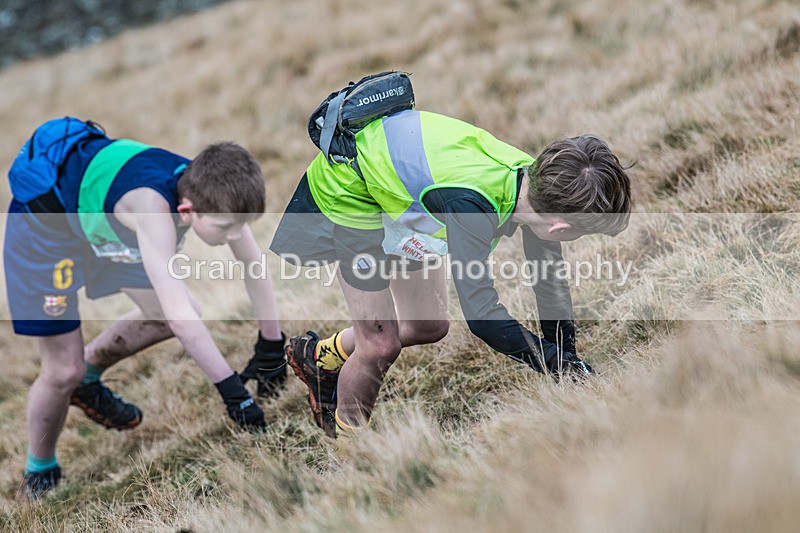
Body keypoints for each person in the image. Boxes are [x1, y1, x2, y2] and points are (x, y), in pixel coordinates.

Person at [270, 109, 631, 438]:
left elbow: (548, 282)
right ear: (560, 227)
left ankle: (319, 357)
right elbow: (482, 316)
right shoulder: (473, 207)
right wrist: (558, 366)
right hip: (350, 190)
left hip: (396, 193)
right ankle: (352, 454)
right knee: (379, 344)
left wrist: (568, 362)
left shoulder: (534, 182)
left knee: (427, 326)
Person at [4, 122, 287, 499]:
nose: (235, 235)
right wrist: (233, 393)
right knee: (62, 370)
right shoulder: (154, 212)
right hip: (44, 231)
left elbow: (253, 264)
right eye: (225, 228)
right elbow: (181, 319)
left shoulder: (214, 189)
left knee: (171, 312)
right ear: (186, 211)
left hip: (101, 220)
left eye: (243, 225)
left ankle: (88, 376)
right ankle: (40, 470)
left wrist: (271, 344)